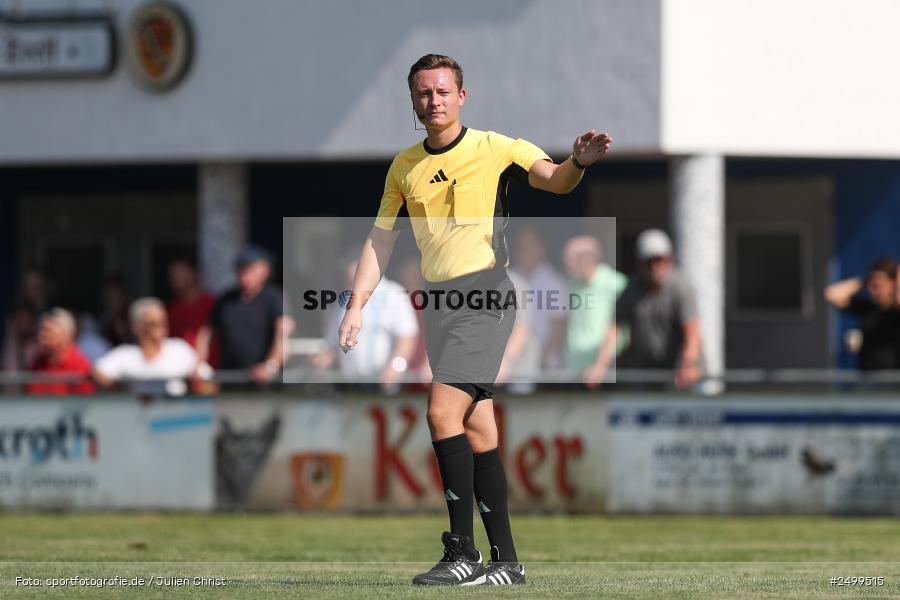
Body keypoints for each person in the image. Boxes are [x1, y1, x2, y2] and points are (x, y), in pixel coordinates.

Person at [337, 54, 611, 586]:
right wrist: (355, 306)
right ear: (413, 100)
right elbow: (380, 240)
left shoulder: (496, 147)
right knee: (478, 428)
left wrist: (577, 163)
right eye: (423, 93)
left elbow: (556, 181)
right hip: (439, 305)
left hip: (485, 296)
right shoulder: (403, 166)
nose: (433, 100)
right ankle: (506, 562)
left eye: (442, 91)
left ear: (462, 96)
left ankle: (461, 552)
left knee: (441, 414)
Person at [584, 229, 703, 389]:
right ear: (639, 262)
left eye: (659, 259)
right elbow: (615, 329)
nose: (655, 266)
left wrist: (689, 364)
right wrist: (600, 365)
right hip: (645, 372)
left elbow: (692, 333)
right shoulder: (632, 288)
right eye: (649, 261)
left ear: (669, 259)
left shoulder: (680, 288)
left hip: (680, 372)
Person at [313, 258, 418, 393]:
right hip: (350, 383)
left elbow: (407, 336)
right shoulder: (344, 299)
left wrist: (396, 366)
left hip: (383, 382)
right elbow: (335, 341)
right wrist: (323, 361)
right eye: (348, 278)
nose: (351, 281)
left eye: (355, 276)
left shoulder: (394, 293)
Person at [197, 246, 294, 385]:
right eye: (241, 268)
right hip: (230, 380)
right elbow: (207, 334)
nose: (245, 273)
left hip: (266, 384)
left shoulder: (275, 298)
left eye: (250, 268)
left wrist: (270, 366)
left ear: (264, 270)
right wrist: (200, 364)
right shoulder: (226, 300)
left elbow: (283, 336)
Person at [94, 297, 212, 396]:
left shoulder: (180, 350)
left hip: (177, 415)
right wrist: (111, 384)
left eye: (163, 322)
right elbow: (98, 371)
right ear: (137, 327)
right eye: (153, 324)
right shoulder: (125, 354)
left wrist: (196, 384)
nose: (161, 328)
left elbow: (209, 382)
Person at [562, 236, 626, 377]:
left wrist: (601, 364)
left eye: (570, 259)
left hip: (606, 373)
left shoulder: (616, 284)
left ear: (586, 259)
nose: (566, 263)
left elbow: (622, 329)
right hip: (573, 370)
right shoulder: (570, 285)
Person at [824, 256, 900, 370]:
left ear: (892, 285)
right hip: (867, 375)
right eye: (871, 285)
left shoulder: (895, 310)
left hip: (894, 376)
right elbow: (831, 294)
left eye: (877, 285)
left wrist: (897, 282)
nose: (872, 290)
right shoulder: (867, 308)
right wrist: (864, 281)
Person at [512, 226, 568, 368]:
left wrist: (543, 359)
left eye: (530, 244)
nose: (524, 249)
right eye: (521, 245)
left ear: (542, 248)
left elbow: (559, 325)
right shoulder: (509, 278)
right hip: (512, 363)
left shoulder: (554, 282)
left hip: (544, 364)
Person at [27, 308, 95, 395]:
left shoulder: (80, 367)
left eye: (48, 331)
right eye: (41, 331)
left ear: (66, 334)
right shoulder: (37, 364)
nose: (41, 336)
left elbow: (86, 400)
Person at [167, 258, 217, 359]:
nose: (177, 277)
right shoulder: (172, 309)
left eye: (182, 271)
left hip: (210, 365)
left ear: (194, 273)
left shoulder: (211, 304)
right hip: (181, 364)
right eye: (174, 273)